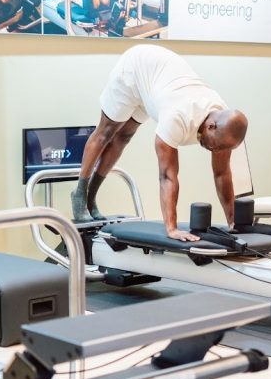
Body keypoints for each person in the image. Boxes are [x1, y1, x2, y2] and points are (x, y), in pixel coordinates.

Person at [70, 45, 249, 241]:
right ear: (211, 126)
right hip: (134, 69)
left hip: (154, 83)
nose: (215, 150)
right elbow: (167, 176)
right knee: (107, 131)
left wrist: (232, 222)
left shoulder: (224, 124)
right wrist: (171, 228)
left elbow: (222, 173)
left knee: (124, 137)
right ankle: (80, 195)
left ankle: (91, 196)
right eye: (216, 146)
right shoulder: (177, 117)